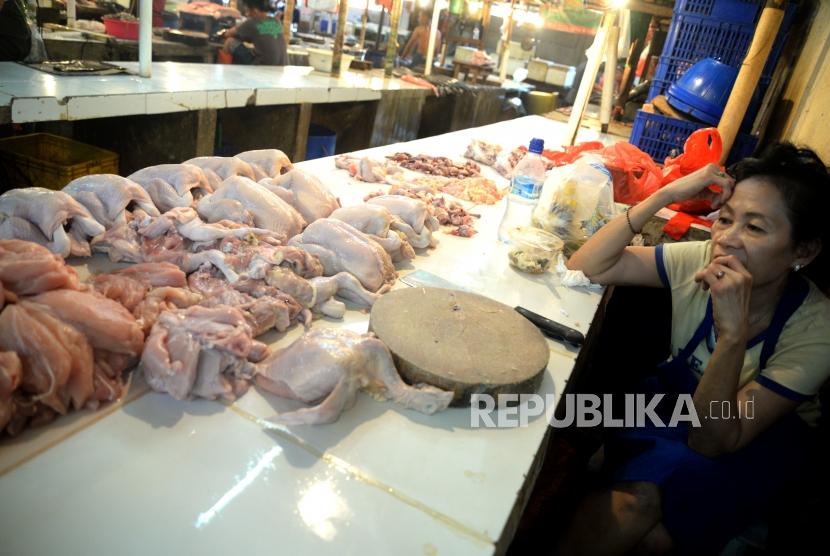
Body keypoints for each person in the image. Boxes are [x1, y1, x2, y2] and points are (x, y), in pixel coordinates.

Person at [560, 143, 830, 555]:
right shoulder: (702, 256)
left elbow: (714, 439)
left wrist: (732, 336)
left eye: (754, 228)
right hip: (680, 410)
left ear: (803, 251)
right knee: (626, 502)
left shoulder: (818, 329)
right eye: (725, 219)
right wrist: (665, 195)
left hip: (748, 442)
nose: (727, 240)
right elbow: (586, 267)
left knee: (645, 522)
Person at [223, 0, 287, 66]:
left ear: (255, 10)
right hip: (281, 69)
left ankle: (226, 71)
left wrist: (224, 33)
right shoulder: (276, 21)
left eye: (247, 10)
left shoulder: (252, 22)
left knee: (230, 42)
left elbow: (228, 34)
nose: (247, 14)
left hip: (262, 68)